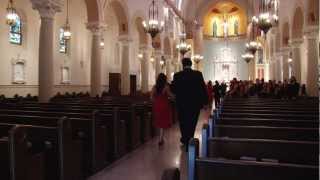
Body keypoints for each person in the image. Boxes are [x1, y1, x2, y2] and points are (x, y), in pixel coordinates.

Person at [171, 58, 208, 151]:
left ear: (183, 65)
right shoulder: (198, 74)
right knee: (192, 122)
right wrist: (205, 102)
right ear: (191, 64)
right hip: (194, 104)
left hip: (181, 104)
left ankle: (185, 138)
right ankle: (190, 138)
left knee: (183, 122)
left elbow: (174, 89)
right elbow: (203, 89)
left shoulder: (177, 75)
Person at [151, 73, 174, 146]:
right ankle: (160, 139)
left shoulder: (154, 87)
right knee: (163, 123)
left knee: (159, 121)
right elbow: (170, 95)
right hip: (164, 105)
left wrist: (156, 101)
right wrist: (174, 97)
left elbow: (151, 97)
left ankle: (160, 138)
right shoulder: (166, 87)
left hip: (157, 105)